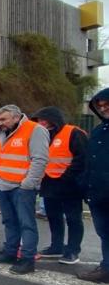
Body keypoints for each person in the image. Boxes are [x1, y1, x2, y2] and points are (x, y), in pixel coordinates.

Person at [0, 104, 49, 275]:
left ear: (16, 117)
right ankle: (10, 252)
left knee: (26, 224)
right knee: (9, 222)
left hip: (22, 188)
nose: (0, 122)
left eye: (3, 119)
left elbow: (40, 160)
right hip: (2, 185)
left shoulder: (35, 130)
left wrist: (27, 184)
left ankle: (27, 259)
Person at [31, 106, 87, 264]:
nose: (40, 123)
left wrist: (67, 176)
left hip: (70, 184)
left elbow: (82, 158)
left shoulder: (73, 132)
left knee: (73, 218)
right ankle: (57, 246)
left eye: (43, 120)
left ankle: (73, 250)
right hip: (49, 183)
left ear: (53, 119)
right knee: (53, 217)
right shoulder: (42, 136)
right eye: (38, 121)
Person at [78, 87, 109, 283]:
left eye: (107, 104)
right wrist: (84, 184)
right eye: (101, 106)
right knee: (105, 233)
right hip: (97, 193)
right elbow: (90, 160)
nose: (104, 108)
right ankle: (106, 268)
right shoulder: (99, 130)